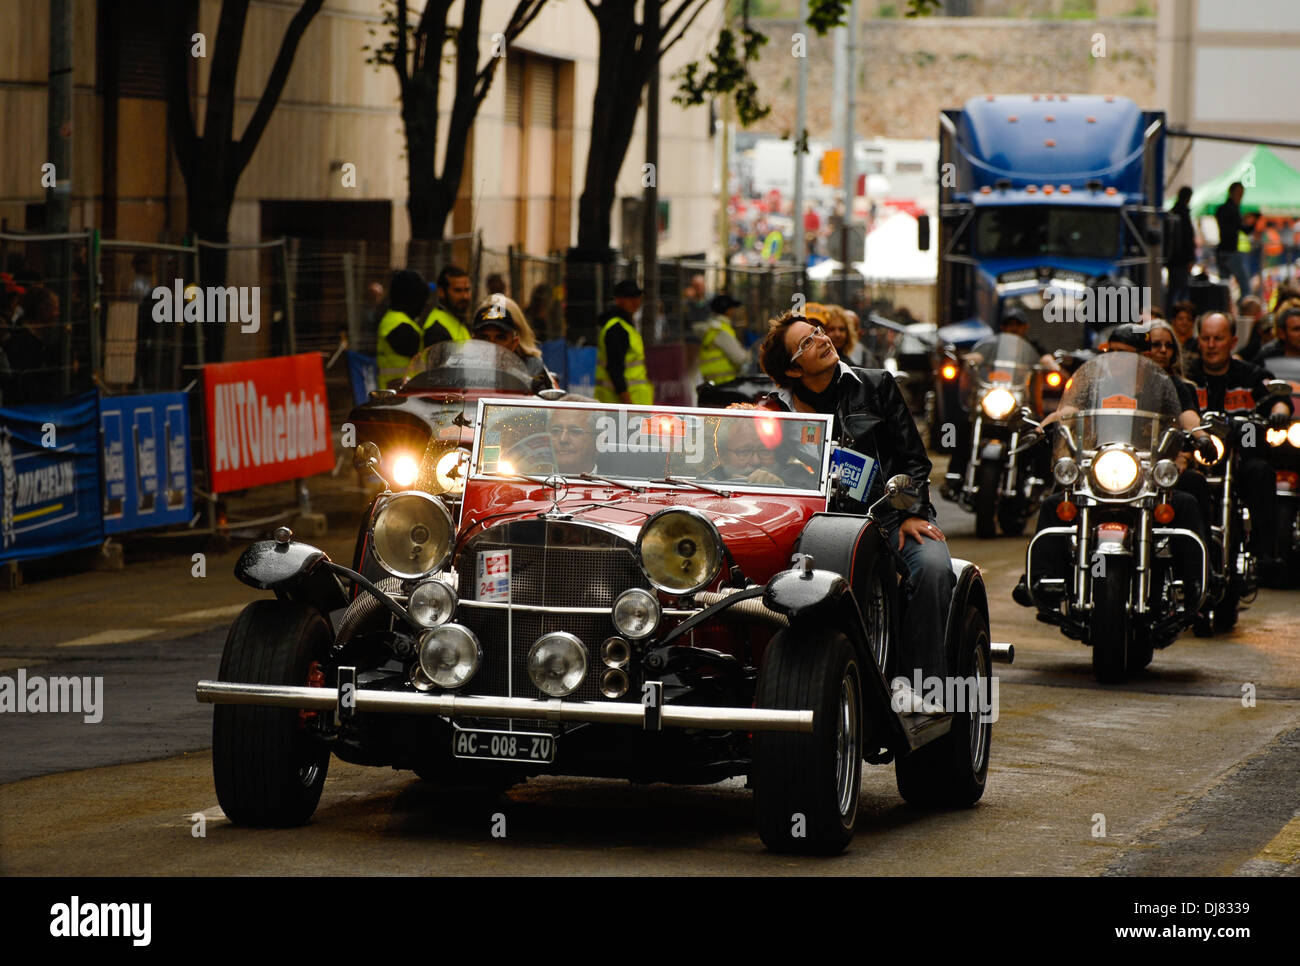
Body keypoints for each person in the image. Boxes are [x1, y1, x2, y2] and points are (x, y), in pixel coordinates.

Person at [758, 311, 954, 713]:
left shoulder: (877, 384)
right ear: (793, 370)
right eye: (807, 341)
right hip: (810, 528)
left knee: (933, 567)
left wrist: (911, 512)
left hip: (887, 520)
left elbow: (913, 460)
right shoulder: (774, 412)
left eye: (817, 331)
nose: (821, 339)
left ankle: (916, 686)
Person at [1013, 324, 1213, 606]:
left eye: (1124, 354)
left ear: (1143, 356)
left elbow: (1189, 417)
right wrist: (1040, 429)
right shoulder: (1095, 384)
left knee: (1189, 499)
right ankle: (1042, 579)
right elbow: (1068, 410)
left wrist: (1201, 436)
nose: (1116, 359)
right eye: (1112, 352)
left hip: (1148, 476)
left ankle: (1196, 581)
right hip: (1102, 470)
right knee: (1055, 503)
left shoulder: (1168, 386)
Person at [1185, 311, 1293, 583]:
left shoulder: (1250, 374)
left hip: (1240, 458)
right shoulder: (1187, 375)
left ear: (1232, 341)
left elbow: (1277, 398)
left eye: (1218, 338)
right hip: (1197, 460)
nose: (1211, 345)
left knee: (1261, 471)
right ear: (1198, 341)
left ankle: (1264, 552)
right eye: (1206, 338)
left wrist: (1279, 412)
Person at [470, 296, 556, 392]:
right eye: (484, 337)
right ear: (474, 340)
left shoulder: (533, 366)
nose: (492, 346)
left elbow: (551, 401)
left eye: (500, 337)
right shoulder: (460, 365)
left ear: (515, 340)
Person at [595, 279, 653, 405]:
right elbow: (615, 368)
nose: (636, 302)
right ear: (618, 300)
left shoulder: (626, 326)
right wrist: (627, 402)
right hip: (622, 406)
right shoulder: (617, 328)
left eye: (637, 297)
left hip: (629, 406)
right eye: (630, 298)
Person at [375, 269, 429, 387]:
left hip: (402, 392)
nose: (423, 305)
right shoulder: (398, 324)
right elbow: (412, 346)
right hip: (396, 395)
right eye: (421, 299)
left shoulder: (397, 319)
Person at [696, 294, 748, 385]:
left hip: (713, 383)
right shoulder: (722, 331)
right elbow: (740, 358)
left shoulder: (712, 328)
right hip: (725, 383)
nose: (735, 311)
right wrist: (751, 355)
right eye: (733, 308)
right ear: (728, 311)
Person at [1215, 182, 1253, 297]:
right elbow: (1242, 229)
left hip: (1223, 251)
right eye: (1239, 193)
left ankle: (1224, 308)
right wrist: (1252, 222)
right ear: (1232, 193)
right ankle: (1244, 311)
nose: (1240, 196)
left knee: (1224, 287)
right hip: (1231, 252)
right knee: (1245, 287)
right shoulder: (1231, 209)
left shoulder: (1223, 209)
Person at [423, 265, 472, 346]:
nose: (465, 296)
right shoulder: (436, 328)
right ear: (441, 292)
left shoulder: (457, 320)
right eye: (458, 290)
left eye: (467, 290)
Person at [1165, 186, 1197, 306]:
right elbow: (1187, 238)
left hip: (1172, 259)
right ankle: (1180, 315)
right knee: (1182, 291)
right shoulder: (1183, 214)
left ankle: (1171, 314)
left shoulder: (1173, 212)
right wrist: (1190, 258)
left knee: (1173, 290)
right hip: (1182, 259)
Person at [546, 406, 600, 476]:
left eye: (575, 431)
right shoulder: (530, 479)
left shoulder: (615, 483)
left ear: (596, 439)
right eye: (555, 431)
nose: (563, 439)